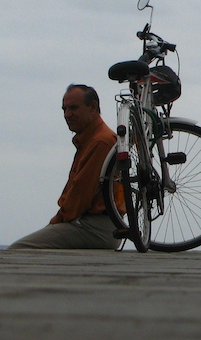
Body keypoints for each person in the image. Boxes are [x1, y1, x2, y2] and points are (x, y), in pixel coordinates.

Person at [9, 85, 120, 250]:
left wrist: (53, 224)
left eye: (73, 108)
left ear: (93, 107)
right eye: (64, 109)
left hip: (96, 227)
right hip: (92, 224)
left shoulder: (101, 142)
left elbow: (79, 197)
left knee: (19, 249)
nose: (67, 114)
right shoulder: (90, 140)